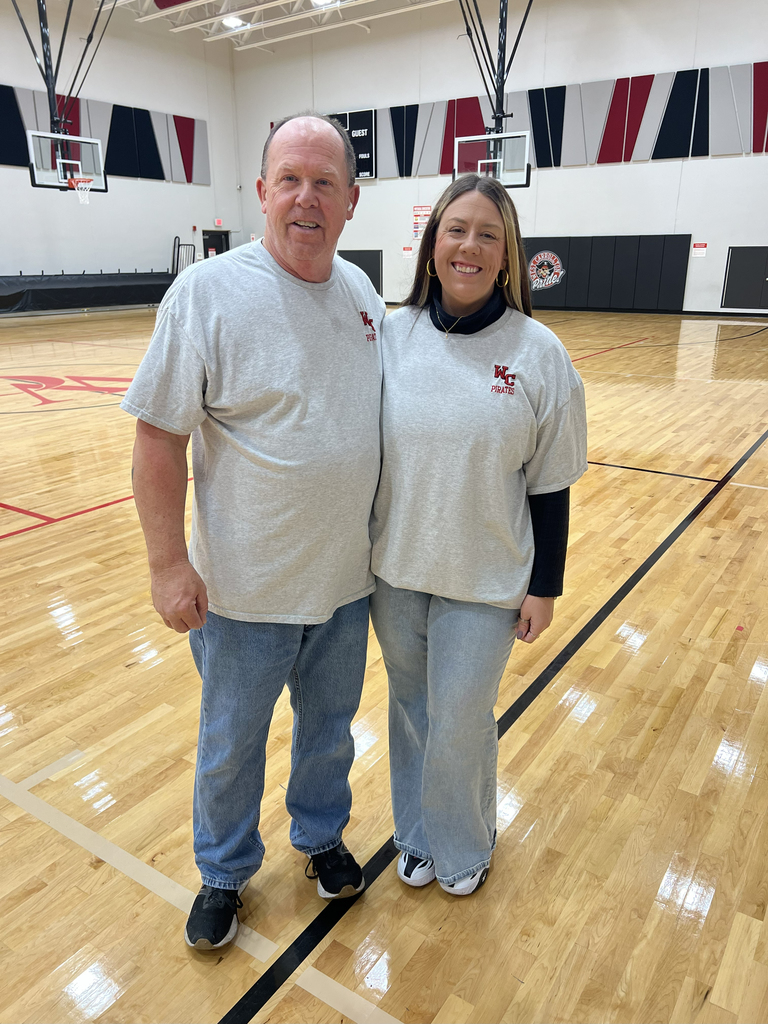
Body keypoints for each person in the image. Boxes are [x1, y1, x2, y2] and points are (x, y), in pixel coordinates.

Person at [121, 113, 385, 950]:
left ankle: (319, 836)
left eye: (325, 182)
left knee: (328, 734)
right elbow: (157, 439)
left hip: (346, 587)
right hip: (243, 594)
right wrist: (168, 565)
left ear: (352, 200)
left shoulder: (364, 296)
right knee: (231, 746)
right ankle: (224, 873)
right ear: (263, 191)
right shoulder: (206, 292)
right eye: (290, 179)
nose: (306, 197)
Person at [369, 174, 587, 896]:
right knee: (411, 712)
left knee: (460, 719)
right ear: (432, 246)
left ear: (507, 255)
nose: (469, 245)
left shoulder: (539, 353)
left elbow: (550, 482)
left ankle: (465, 841)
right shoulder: (389, 336)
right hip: (395, 572)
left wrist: (545, 587)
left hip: (488, 579)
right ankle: (417, 834)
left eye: (487, 234)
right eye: (456, 229)